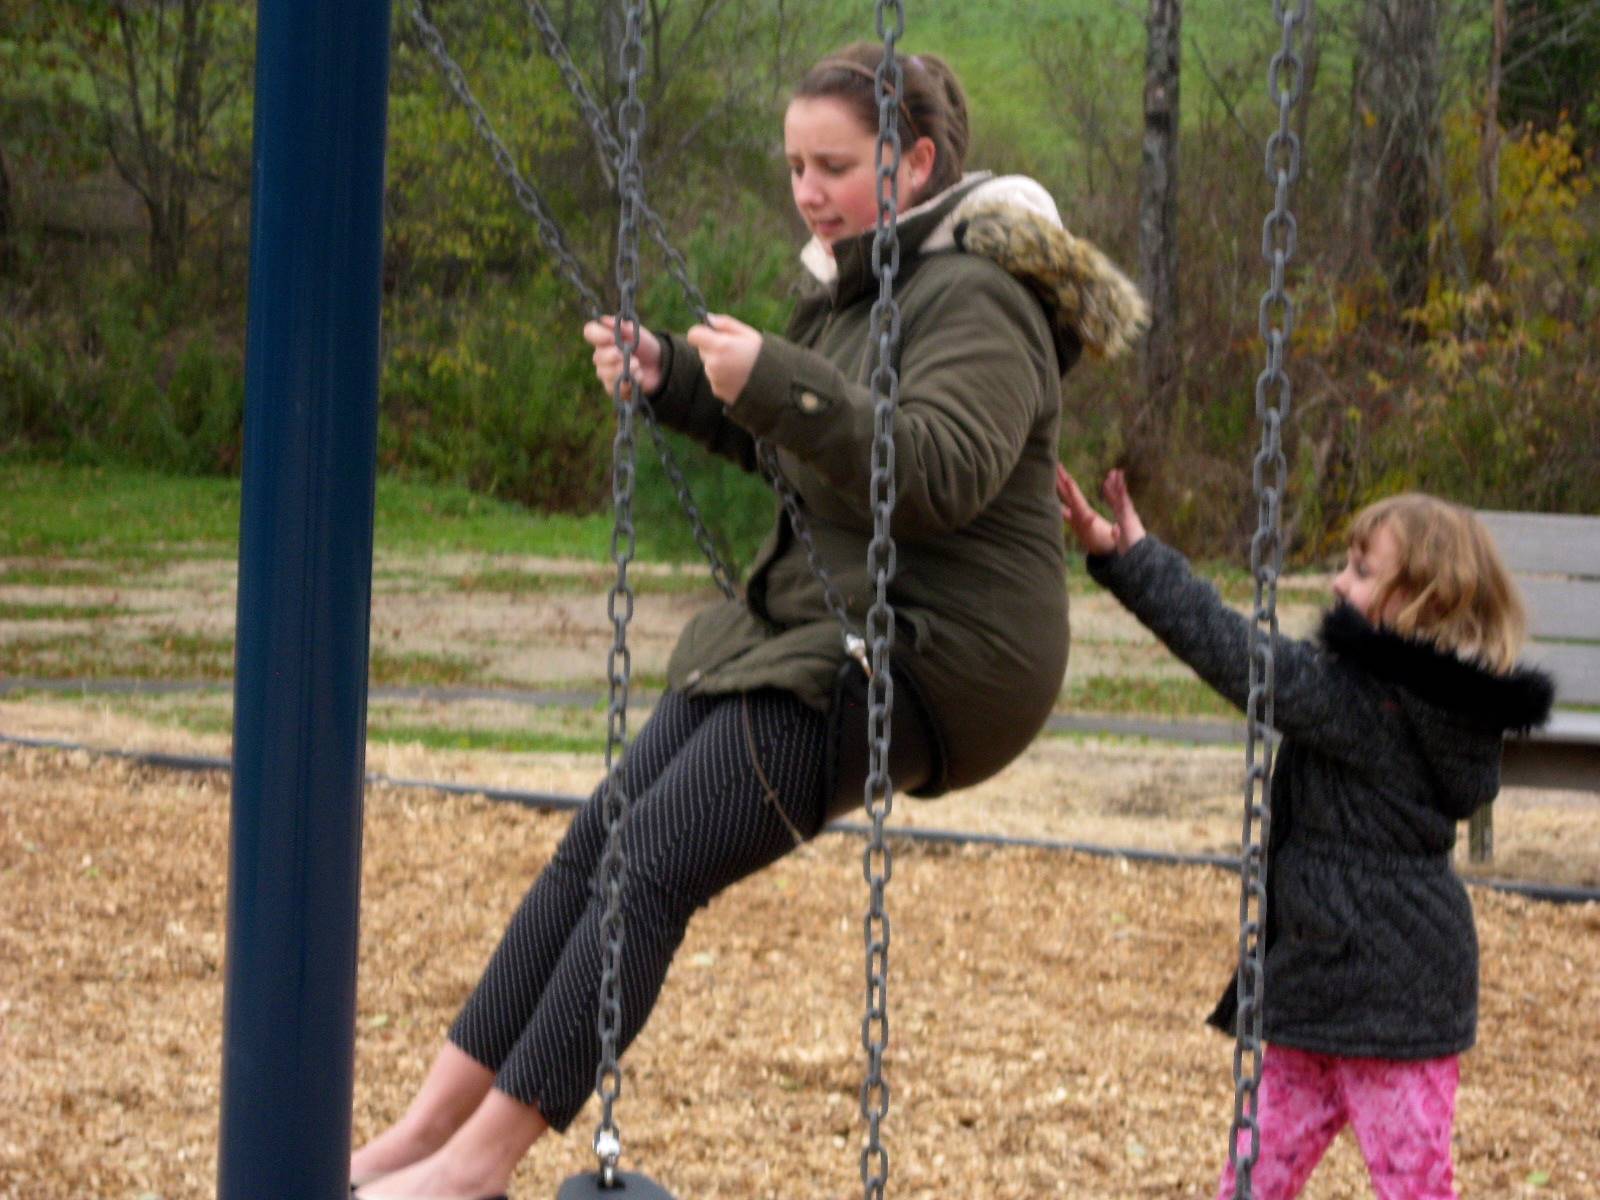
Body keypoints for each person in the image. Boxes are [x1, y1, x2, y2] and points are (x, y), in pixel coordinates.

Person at [350, 43, 1146, 1198]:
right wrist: (677, 376)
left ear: (914, 161)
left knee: (656, 865)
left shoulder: (982, 293)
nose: (809, 192)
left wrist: (772, 376)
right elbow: (797, 447)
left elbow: (935, 471)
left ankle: (474, 1169)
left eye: (834, 164)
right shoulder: (853, 289)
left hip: (931, 652)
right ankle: (415, 1137)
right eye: (793, 167)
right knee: (595, 848)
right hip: (814, 624)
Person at [1057, 468, 1555, 1200]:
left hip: (1393, 1006)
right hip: (1322, 986)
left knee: (1412, 1182)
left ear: (1421, 601)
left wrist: (1133, 560)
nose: (1337, 585)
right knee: (1255, 1178)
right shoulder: (1404, 704)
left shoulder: (1370, 707)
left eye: (1360, 571)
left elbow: (1239, 656)